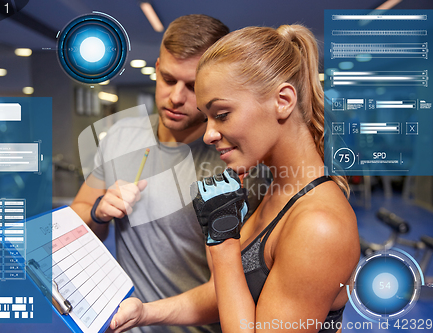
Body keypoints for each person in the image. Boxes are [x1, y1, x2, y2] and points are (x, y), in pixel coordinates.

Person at [110, 24, 359, 333]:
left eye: (222, 114)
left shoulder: (319, 225)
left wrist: (223, 245)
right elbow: (230, 293)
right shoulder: (281, 190)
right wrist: (145, 313)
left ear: (282, 101)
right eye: (206, 117)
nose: (210, 134)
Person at [71, 14, 269, 333]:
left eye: (192, 86)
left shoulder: (236, 165)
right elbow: (78, 217)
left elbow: (230, 288)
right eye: (167, 79)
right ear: (158, 66)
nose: (176, 97)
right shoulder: (122, 134)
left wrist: (147, 313)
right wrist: (98, 212)